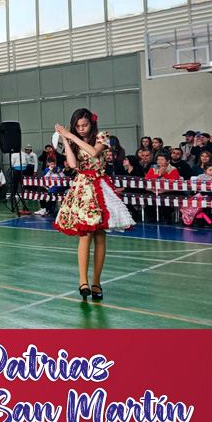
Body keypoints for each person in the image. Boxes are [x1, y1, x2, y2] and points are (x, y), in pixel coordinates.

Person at [53, 109, 135, 301]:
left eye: (85, 125)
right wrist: (66, 140)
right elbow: (73, 165)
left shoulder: (102, 136)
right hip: (82, 188)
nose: (81, 129)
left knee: (100, 235)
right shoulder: (73, 140)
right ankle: (83, 281)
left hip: (99, 184)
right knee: (85, 233)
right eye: (77, 126)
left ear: (92, 124)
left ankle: (96, 281)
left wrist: (71, 135)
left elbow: (94, 151)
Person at [146, 152, 181, 223]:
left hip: (168, 190)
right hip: (154, 189)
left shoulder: (173, 169)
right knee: (149, 197)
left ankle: (167, 217)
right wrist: (158, 175)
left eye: (162, 159)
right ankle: (152, 217)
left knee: (165, 198)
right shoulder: (153, 169)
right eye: (158, 159)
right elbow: (147, 178)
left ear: (168, 161)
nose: (159, 161)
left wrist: (164, 173)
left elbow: (173, 181)